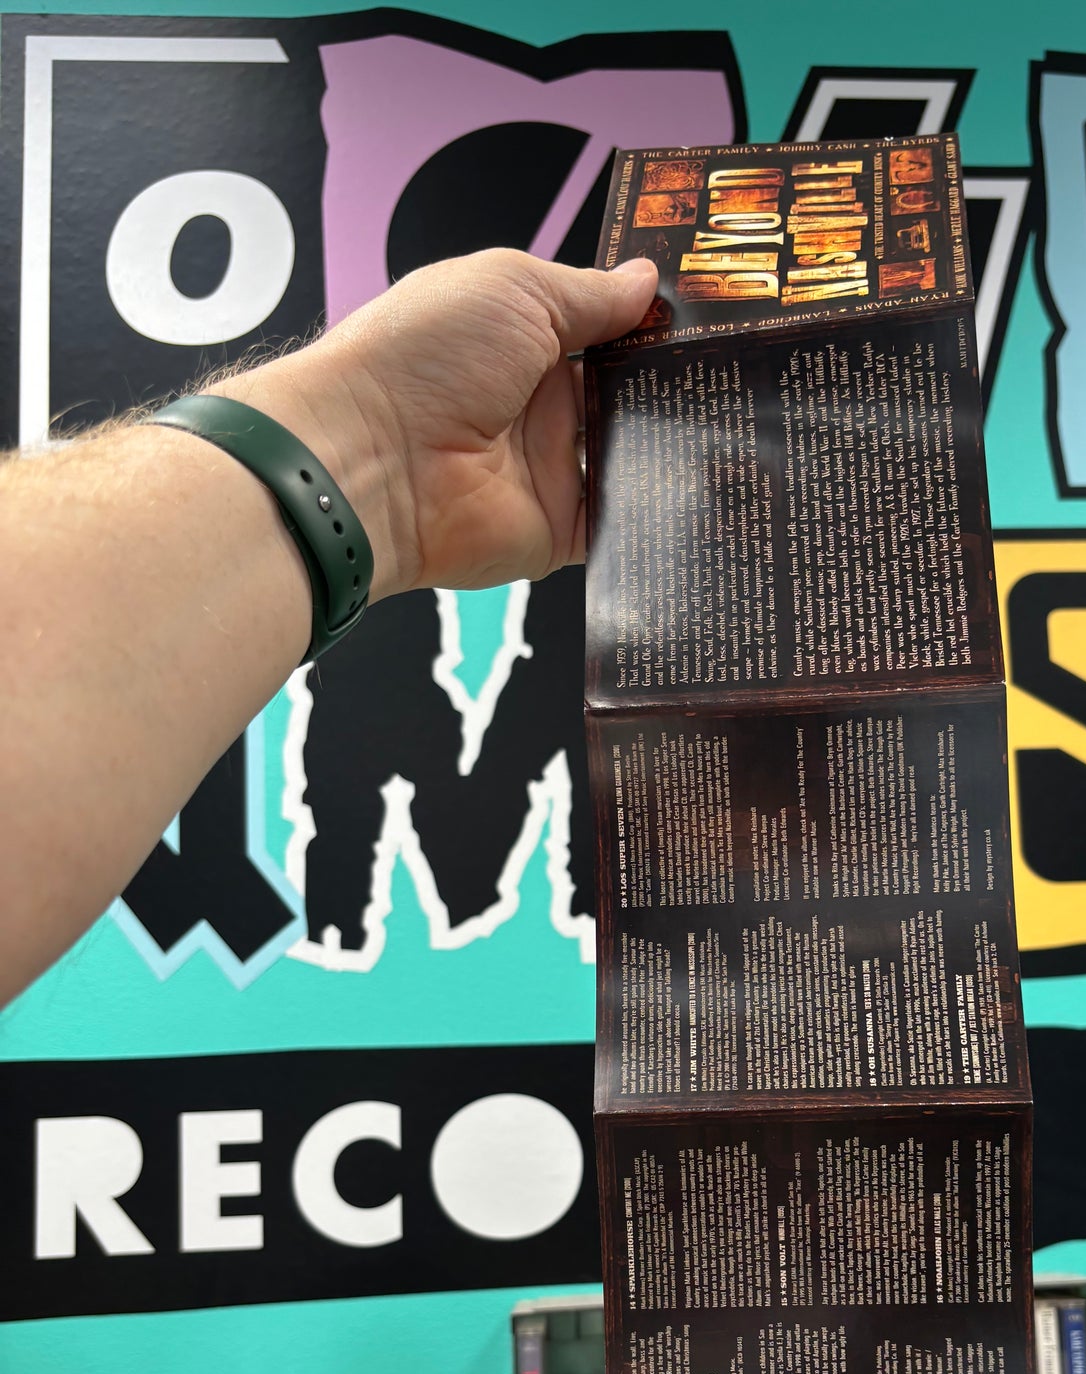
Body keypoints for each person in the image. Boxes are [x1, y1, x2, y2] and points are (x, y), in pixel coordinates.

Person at [0, 247, 659, 1009]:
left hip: (423, 683)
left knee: (452, 838)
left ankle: (439, 910)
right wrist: (377, 439)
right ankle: (369, 921)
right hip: (384, 691)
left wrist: (379, 444)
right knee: (394, 836)